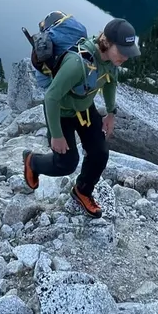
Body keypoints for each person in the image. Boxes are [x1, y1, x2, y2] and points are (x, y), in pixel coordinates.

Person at [22, 17, 140, 217]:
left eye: (128, 52)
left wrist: (111, 112)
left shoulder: (111, 61)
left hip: (84, 108)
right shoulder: (77, 64)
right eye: (122, 52)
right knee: (66, 163)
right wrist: (57, 135)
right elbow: (51, 97)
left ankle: (82, 191)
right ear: (107, 43)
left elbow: (110, 82)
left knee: (100, 153)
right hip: (61, 112)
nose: (125, 57)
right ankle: (32, 161)